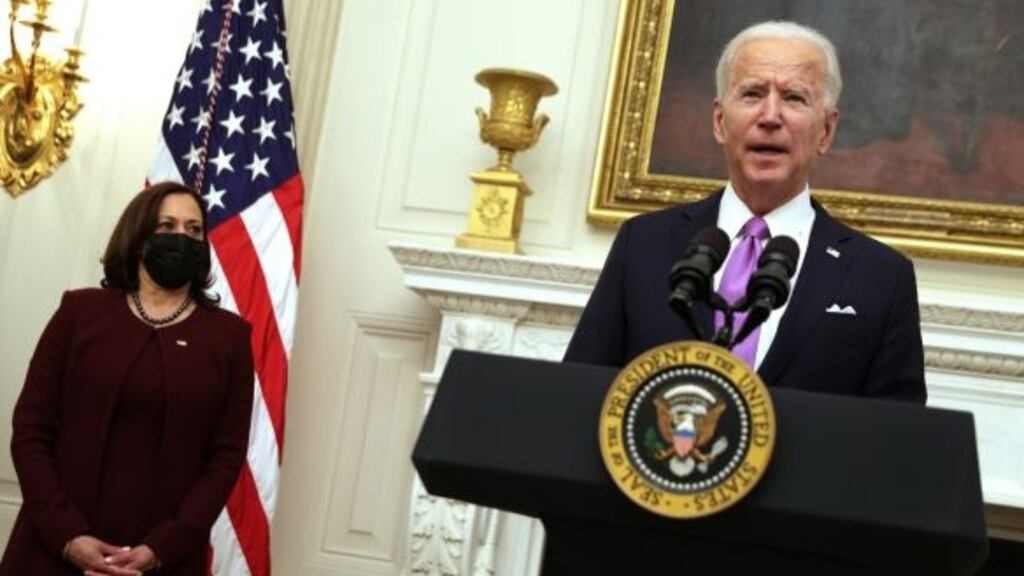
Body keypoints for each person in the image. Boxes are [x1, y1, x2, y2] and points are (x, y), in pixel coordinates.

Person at [565, 20, 926, 404]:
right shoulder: (643, 243)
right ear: (720, 121)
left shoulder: (882, 277)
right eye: (752, 94)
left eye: (794, 98)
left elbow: (897, 442)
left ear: (826, 131)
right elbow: (578, 395)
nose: (770, 116)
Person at [1, 182, 254, 575]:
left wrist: (161, 547)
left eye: (193, 230)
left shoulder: (230, 338)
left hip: (163, 558)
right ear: (138, 237)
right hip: (53, 547)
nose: (180, 238)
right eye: (166, 226)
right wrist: (67, 534)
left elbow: (225, 459)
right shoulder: (79, 313)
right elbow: (30, 428)